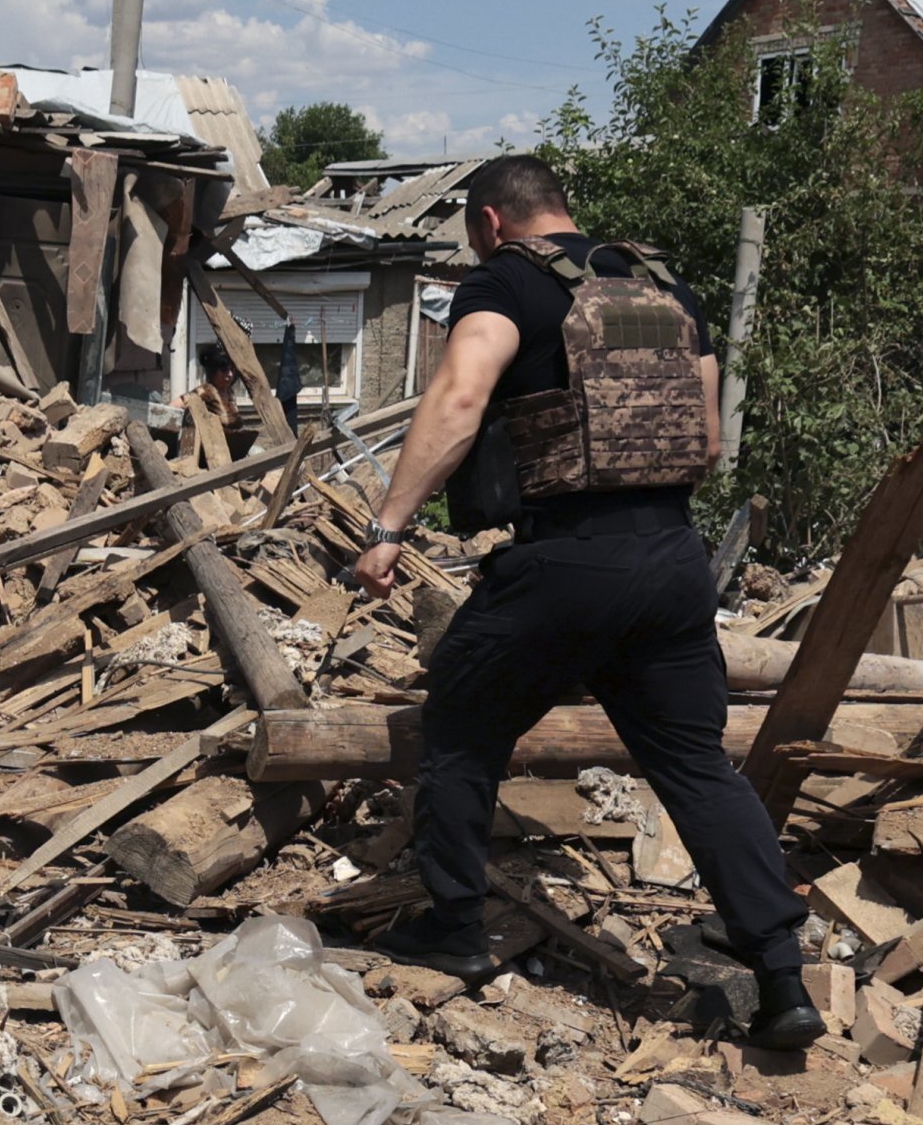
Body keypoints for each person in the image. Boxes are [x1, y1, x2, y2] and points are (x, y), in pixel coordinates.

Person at [349, 154, 818, 1047]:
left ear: (489, 223)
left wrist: (389, 527)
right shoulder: (662, 281)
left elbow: (458, 398)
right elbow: (711, 440)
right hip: (674, 559)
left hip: (566, 562)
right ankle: (782, 977)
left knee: (459, 721)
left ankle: (454, 928)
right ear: (563, 209)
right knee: (693, 763)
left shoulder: (505, 283)